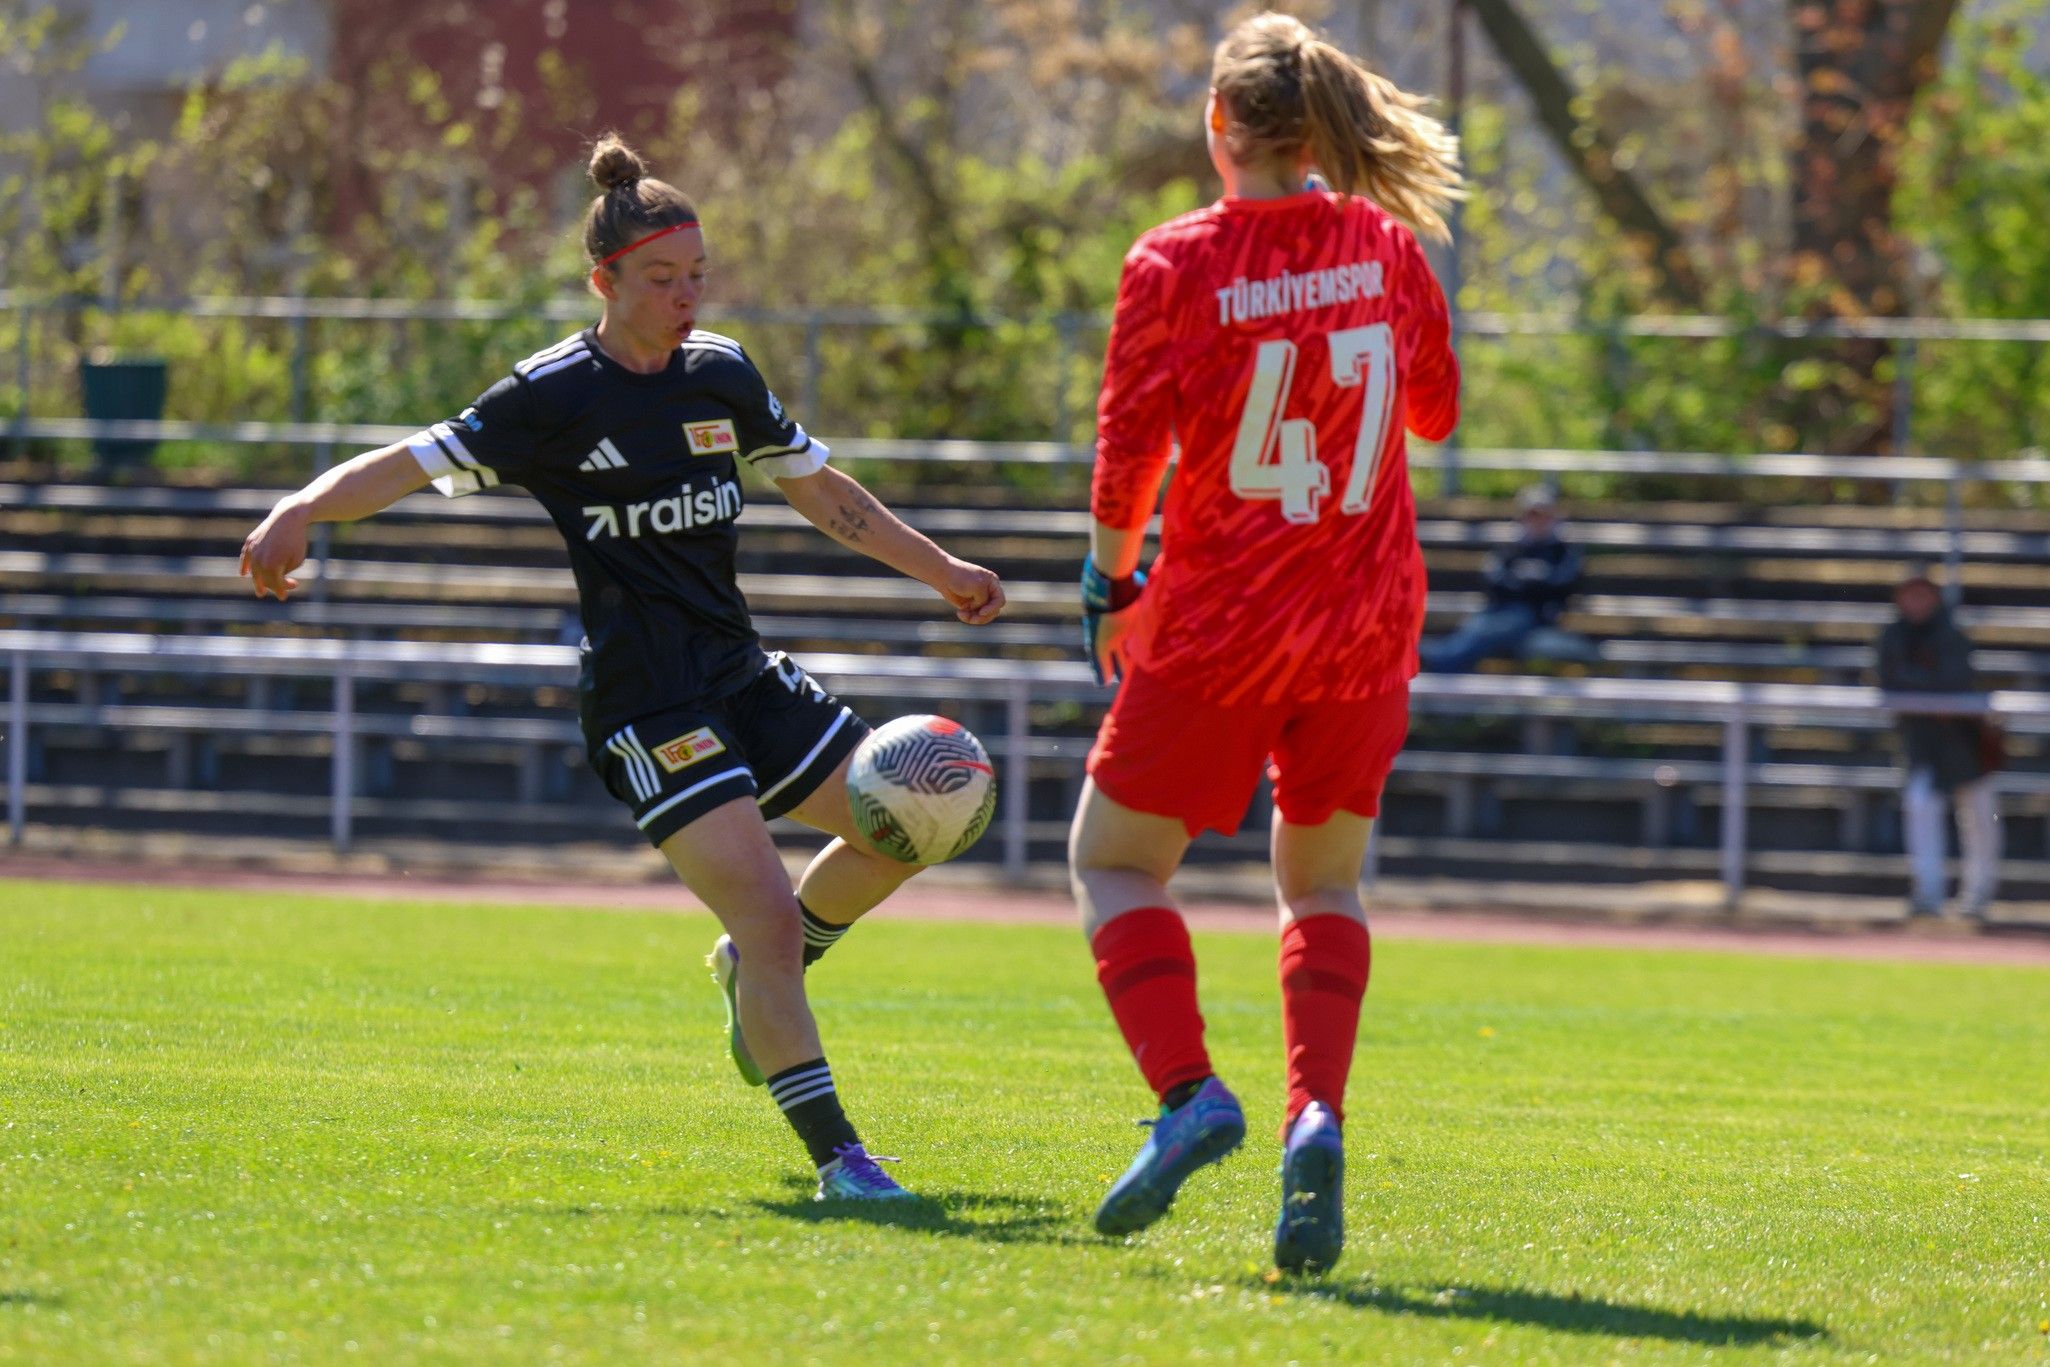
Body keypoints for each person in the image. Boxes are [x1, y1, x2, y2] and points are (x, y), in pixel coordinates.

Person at [240, 134, 1006, 1201]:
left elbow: (826, 495)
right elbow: (410, 461)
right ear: (604, 281)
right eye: (660, 278)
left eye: (697, 275)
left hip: (744, 676)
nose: (685, 295)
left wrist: (941, 569)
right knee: (767, 916)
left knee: (916, 822)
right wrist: (301, 505)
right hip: (649, 706)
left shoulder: (722, 373)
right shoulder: (552, 395)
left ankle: (756, 971)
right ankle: (842, 1161)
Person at [1071, 12, 1462, 1274]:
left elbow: (1127, 456)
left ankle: (1190, 1093)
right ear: (1321, 131)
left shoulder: (1174, 261)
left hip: (1223, 625)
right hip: (1365, 624)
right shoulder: (1384, 244)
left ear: (1217, 125)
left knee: (1113, 862)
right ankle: (1315, 1116)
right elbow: (1437, 413)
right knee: (1324, 887)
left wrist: (1108, 583)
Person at [1876, 571, 2001, 919]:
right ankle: (1928, 893)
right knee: (1919, 805)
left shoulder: (1951, 633)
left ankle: (1978, 894)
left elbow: (1954, 680)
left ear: (1935, 598)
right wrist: (1925, 687)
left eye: (1923, 594)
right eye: (1909, 594)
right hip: (1922, 742)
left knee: (1979, 814)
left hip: (1963, 741)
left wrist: (1919, 685)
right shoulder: (1893, 635)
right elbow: (1888, 679)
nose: (1916, 602)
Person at [1418, 484, 1587, 673]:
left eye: (1542, 515)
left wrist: (1529, 580)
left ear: (1552, 517)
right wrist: (1527, 581)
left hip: (1534, 615)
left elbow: (1562, 584)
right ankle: (1439, 658)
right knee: (1476, 626)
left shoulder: (1563, 550)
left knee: (1492, 630)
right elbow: (1494, 580)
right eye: (1532, 515)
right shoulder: (1510, 547)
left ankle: (1437, 661)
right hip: (1497, 610)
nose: (1536, 520)